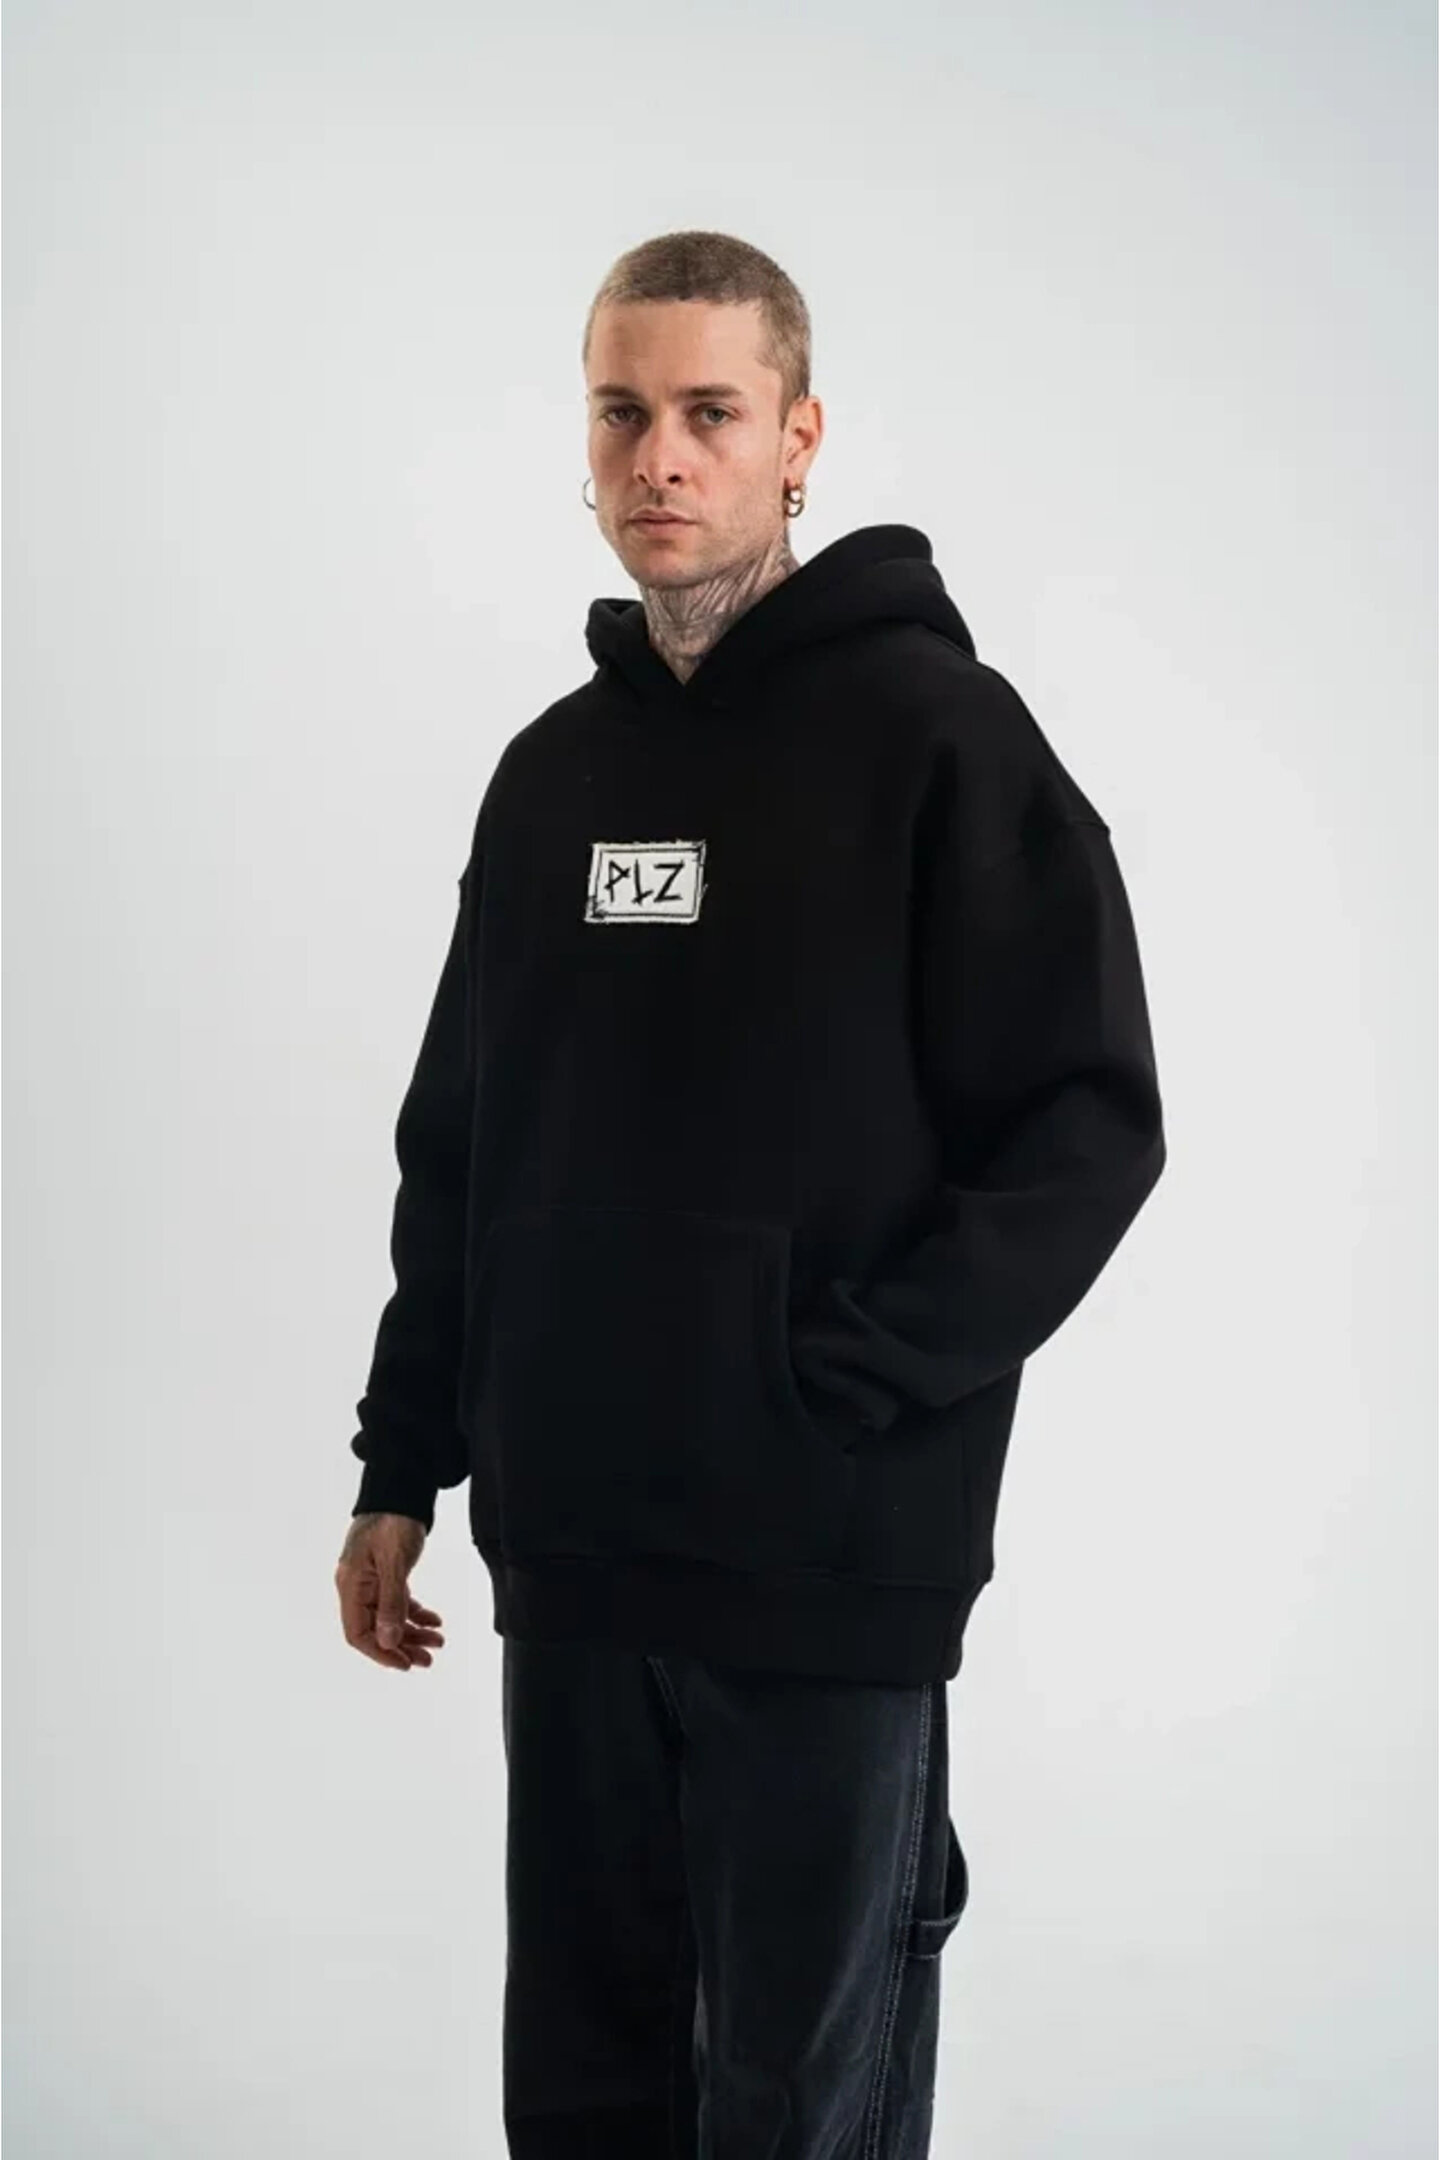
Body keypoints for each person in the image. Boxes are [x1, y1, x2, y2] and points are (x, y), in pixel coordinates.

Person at [334, 228, 1167, 2157]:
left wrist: (844, 1384)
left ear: (799, 440)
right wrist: (402, 1463)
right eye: (620, 413)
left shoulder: (940, 739)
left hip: (826, 1566)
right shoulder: (550, 782)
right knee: (589, 2099)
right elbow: (463, 1144)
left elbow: (1089, 1121)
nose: (661, 458)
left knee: (798, 2108)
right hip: (578, 1561)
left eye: (710, 412)